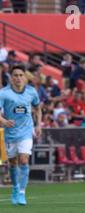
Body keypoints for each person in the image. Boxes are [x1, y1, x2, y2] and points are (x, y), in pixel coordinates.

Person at [0, 64, 42, 205]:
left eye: (20, 75)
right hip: (10, 133)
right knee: (13, 163)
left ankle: (22, 193)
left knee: (23, 160)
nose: (18, 78)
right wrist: (4, 121)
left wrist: (38, 124)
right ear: (11, 78)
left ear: (25, 77)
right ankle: (15, 188)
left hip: (26, 131)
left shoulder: (31, 92)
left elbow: (38, 108)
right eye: (15, 75)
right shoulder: (4, 93)